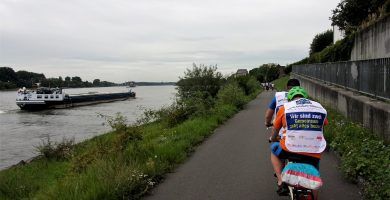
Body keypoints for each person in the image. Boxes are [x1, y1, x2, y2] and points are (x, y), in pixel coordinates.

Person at [269, 86, 328, 198]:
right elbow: (322, 126)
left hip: (289, 148)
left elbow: (275, 130)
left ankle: (281, 182)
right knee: (313, 177)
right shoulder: (319, 107)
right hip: (314, 150)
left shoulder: (286, 108)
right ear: (305, 97)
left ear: (290, 98)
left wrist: (272, 138)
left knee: (274, 150)